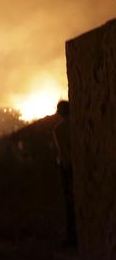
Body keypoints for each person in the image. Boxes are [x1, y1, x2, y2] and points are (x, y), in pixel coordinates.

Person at [53, 100, 77, 249]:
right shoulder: (78, 123)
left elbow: (64, 153)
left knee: (69, 201)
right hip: (77, 165)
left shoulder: (59, 129)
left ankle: (71, 238)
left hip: (67, 168)